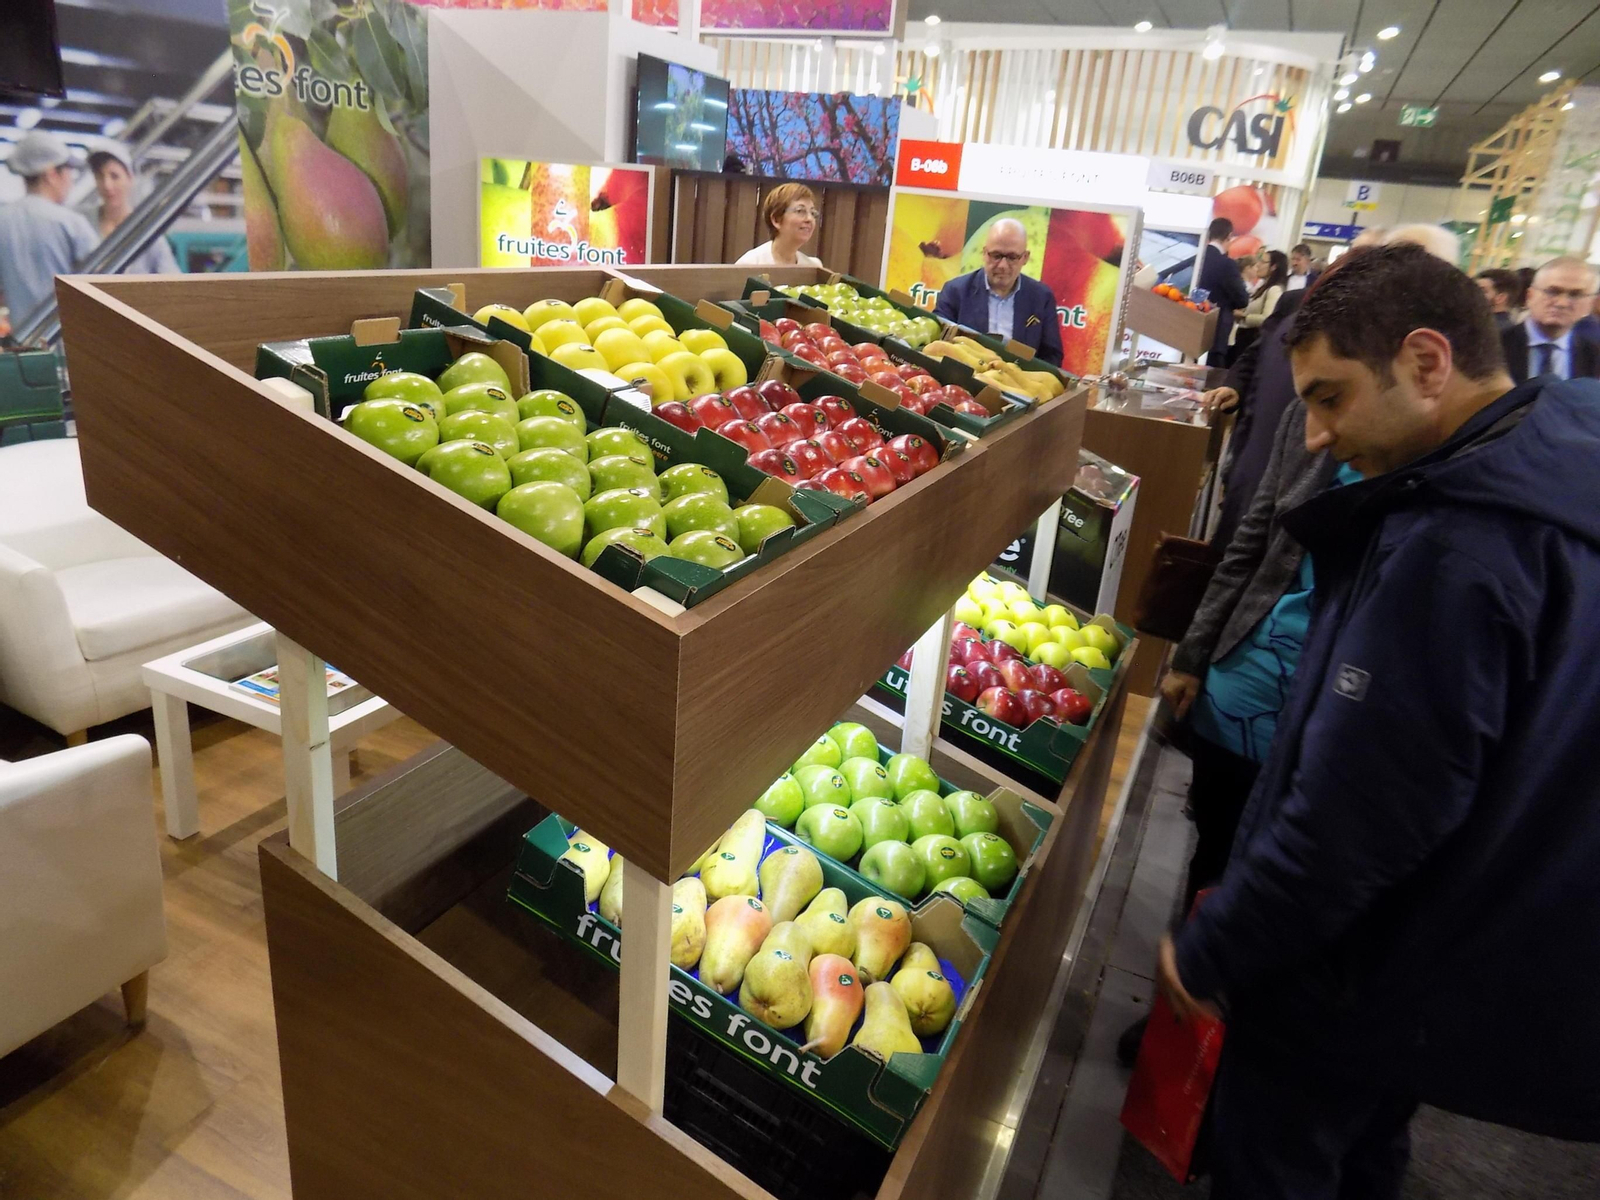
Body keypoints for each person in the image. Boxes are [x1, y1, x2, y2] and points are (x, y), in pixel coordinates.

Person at [1158, 241, 1600, 1196]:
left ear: (1427, 362)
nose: (1317, 437)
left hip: (1350, 965)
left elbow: (1363, 812)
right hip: (1437, 959)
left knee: (1278, 1163)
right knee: (1366, 1154)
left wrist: (1217, 944)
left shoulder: (1460, 545)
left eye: (1331, 398)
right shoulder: (1554, 464)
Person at [0, 131, 98, 336]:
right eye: (68, 172)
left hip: (23, 344)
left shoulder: (3, 220)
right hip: (71, 341)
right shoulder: (70, 222)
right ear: (51, 174)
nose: (70, 181)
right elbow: (101, 282)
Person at [933, 217, 1064, 365]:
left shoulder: (1041, 297)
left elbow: (1052, 358)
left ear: (1025, 258)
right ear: (984, 253)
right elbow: (936, 345)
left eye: (1012, 257)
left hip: (1018, 377)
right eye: (996, 256)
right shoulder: (955, 291)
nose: (1002, 265)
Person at [1500, 255, 1600, 382]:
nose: (1562, 303)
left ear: (1590, 303)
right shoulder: (1495, 345)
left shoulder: (1593, 355)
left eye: (1575, 295)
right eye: (1552, 292)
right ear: (1530, 296)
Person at [88, 142, 180, 275]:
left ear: (130, 179)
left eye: (114, 176)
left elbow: (172, 279)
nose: (107, 185)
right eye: (100, 176)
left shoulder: (147, 232)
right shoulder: (83, 223)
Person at [1198, 217, 1251, 364]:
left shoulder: (1197, 257)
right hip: (1216, 331)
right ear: (1229, 236)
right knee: (1211, 373)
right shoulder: (1227, 264)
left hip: (1191, 326)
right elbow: (1242, 300)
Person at [734, 183, 823, 268]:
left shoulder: (813, 266)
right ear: (776, 219)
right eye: (800, 211)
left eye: (812, 213)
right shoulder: (750, 264)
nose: (809, 219)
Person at [1229, 249, 1288, 365]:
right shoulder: (1262, 287)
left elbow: (1267, 318)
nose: (1258, 265)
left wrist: (1243, 316)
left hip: (1251, 339)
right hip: (1244, 338)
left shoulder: (1274, 289)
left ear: (1273, 267)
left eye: (1263, 262)